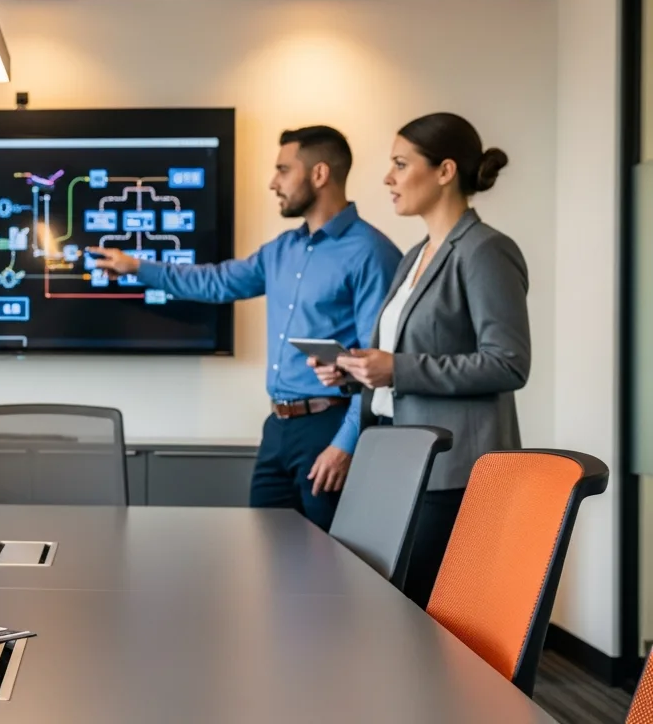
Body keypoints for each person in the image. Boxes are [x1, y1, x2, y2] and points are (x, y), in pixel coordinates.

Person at [89, 127, 401, 531]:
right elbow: (216, 282)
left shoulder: (370, 253)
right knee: (265, 556)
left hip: (332, 428)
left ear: (319, 174)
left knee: (337, 566)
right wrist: (137, 267)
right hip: (278, 430)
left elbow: (378, 363)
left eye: (283, 170)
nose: (274, 183)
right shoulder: (282, 250)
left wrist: (345, 445)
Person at [311, 113, 529, 607]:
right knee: (388, 611)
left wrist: (397, 368)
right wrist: (352, 370)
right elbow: (403, 357)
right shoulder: (414, 256)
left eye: (400, 164)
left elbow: (509, 363)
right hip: (397, 460)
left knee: (427, 619)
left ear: (445, 170)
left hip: (452, 473)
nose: (387, 177)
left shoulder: (486, 251)